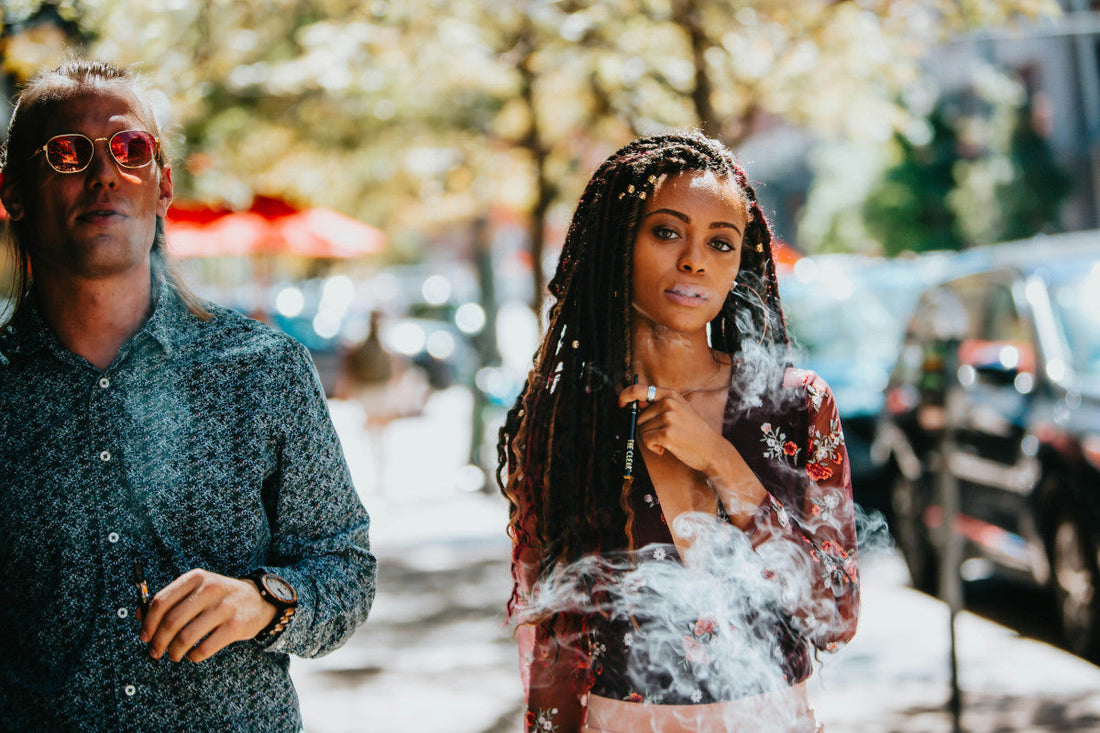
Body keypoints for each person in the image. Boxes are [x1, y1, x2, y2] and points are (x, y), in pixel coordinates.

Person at [0, 60, 375, 730]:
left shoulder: (263, 369)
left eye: (130, 148)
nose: (104, 173)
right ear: (15, 191)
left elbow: (346, 572)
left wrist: (264, 602)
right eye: (67, 153)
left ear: (163, 185)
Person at [498, 131, 859, 732]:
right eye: (666, 232)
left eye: (721, 243)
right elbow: (554, 640)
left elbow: (837, 613)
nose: (695, 261)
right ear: (618, 245)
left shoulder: (796, 405)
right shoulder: (570, 418)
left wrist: (722, 462)